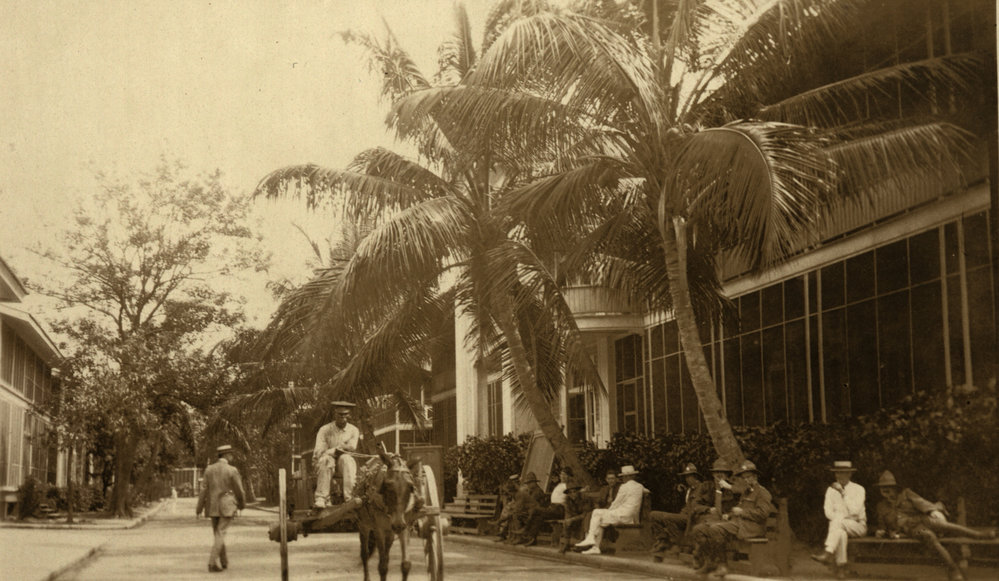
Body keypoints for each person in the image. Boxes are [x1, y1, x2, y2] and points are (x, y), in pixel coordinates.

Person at [874, 470, 996, 581]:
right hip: (912, 529)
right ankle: (952, 569)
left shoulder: (906, 494)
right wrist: (881, 532)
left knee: (945, 525)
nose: (886, 492)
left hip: (923, 518)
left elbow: (921, 502)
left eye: (888, 488)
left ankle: (979, 535)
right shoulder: (881, 507)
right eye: (882, 490)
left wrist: (932, 511)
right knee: (928, 536)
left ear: (895, 488)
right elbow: (883, 528)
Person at [690, 460, 773, 576]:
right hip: (739, 523)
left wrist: (742, 512)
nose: (746, 480)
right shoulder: (746, 492)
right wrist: (729, 515)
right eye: (744, 478)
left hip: (751, 527)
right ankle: (709, 562)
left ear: (755, 476)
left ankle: (722, 565)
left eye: (748, 477)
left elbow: (763, 514)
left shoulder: (763, 493)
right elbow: (739, 508)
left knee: (715, 529)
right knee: (699, 530)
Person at [574, 465, 650, 555]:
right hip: (630, 516)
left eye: (623, 477)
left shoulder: (624, 487)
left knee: (596, 512)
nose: (622, 479)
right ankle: (595, 548)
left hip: (623, 516)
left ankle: (590, 537)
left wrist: (607, 512)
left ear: (627, 477)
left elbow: (616, 503)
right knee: (601, 521)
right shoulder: (639, 486)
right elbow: (647, 491)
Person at [811, 460, 866, 578]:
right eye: (837, 473)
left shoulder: (859, 489)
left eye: (842, 473)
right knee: (841, 532)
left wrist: (842, 492)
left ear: (849, 474)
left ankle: (828, 552)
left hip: (858, 526)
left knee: (837, 522)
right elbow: (828, 513)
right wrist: (843, 517)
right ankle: (841, 569)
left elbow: (855, 511)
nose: (838, 476)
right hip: (840, 525)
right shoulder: (830, 490)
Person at [196, 444, 246, 573]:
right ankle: (212, 563)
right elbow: (239, 490)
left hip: (212, 506)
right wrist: (242, 504)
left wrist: (199, 508)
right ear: (226, 455)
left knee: (218, 534)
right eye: (231, 454)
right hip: (227, 506)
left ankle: (224, 562)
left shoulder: (209, 469)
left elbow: (203, 491)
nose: (232, 456)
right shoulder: (232, 470)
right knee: (220, 534)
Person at [649, 463, 714, 558]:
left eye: (690, 476)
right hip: (683, 516)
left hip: (692, 518)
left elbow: (702, 503)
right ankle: (662, 540)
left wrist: (705, 509)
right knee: (653, 515)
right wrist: (683, 491)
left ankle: (675, 544)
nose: (687, 479)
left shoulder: (703, 486)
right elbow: (685, 503)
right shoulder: (689, 490)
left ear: (695, 477)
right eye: (686, 477)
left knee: (667, 518)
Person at [313, 401, 360, 507]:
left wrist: (337, 449)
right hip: (326, 462)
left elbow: (352, 447)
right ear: (335, 414)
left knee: (347, 459)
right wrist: (333, 451)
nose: (343, 417)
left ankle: (350, 497)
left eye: (345, 414)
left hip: (343, 464)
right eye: (340, 414)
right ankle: (321, 498)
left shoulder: (353, 430)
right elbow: (319, 451)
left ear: (349, 415)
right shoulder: (325, 430)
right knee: (326, 460)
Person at [519, 467, 572, 546]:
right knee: (538, 517)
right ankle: (532, 538)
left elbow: (571, 497)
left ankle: (525, 530)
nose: (562, 476)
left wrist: (565, 504)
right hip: (553, 507)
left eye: (565, 475)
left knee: (535, 511)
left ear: (569, 476)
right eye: (561, 474)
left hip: (560, 509)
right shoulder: (560, 485)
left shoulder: (569, 486)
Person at [507, 471, 547, 544]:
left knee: (516, 515)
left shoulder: (537, 492)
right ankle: (514, 536)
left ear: (534, 483)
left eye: (530, 483)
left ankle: (520, 537)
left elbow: (531, 505)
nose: (528, 485)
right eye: (527, 483)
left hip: (537, 513)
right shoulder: (531, 491)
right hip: (532, 512)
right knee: (513, 514)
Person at [557, 479, 593, 553]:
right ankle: (566, 543)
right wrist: (568, 520)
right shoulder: (567, 501)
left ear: (578, 491)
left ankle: (582, 544)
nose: (572, 494)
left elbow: (585, 514)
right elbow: (568, 513)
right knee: (566, 522)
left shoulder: (585, 498)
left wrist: (572, 519)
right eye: (570, 492)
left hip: (588, 518)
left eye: (574, 491)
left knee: (584, 521)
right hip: (576, 518)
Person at [493, 474, 520, 542]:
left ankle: (502, 531)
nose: (514, 483)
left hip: (520, 508)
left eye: (515, 482)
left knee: (508, 513)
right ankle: (502, 532)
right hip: (515, 507)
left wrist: (510, 506)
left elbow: (519, 501)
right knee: (506, 511)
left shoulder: (521, 488)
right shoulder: (515, 489)